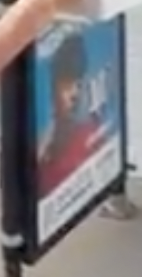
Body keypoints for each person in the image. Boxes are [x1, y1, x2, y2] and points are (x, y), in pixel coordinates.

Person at [35, 31, 107, 197]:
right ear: (53, 87)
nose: (75, 93)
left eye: (78, 84)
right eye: (68, 84)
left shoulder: (91, 136)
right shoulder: (40, 145)